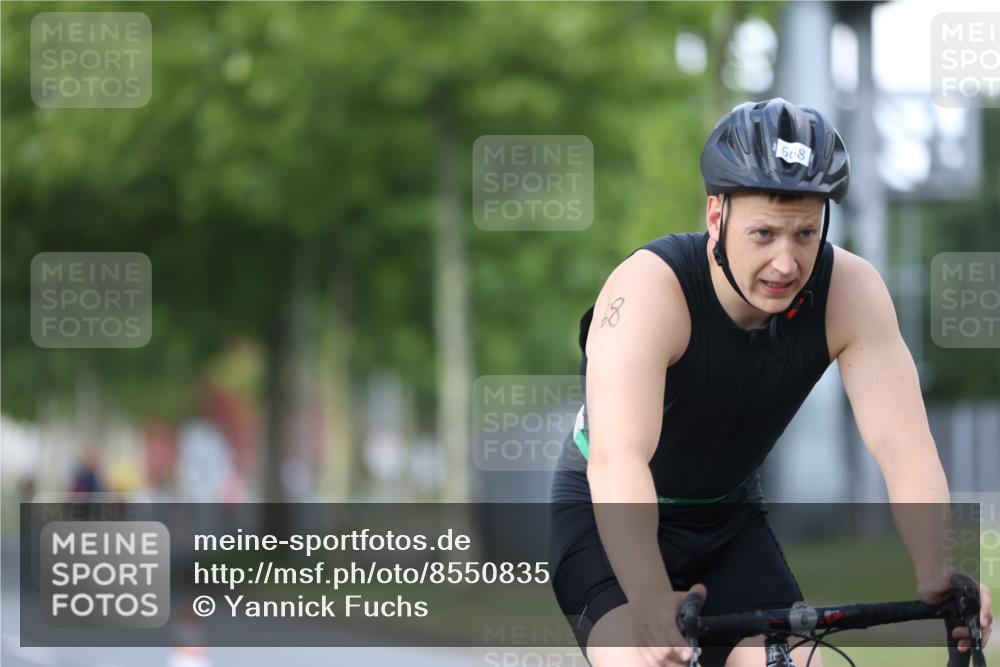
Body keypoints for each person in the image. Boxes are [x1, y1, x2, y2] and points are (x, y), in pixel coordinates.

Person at [548, 98, 993, 667]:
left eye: (805, 234)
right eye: (763, 234)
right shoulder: (650, 291)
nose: (786, 263)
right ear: (717, 217)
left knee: (801, 663)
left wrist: (938, 567)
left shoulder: (850, 293)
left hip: (728, 521)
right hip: (606, 513)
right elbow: (618, 460)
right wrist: (652, 600)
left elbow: (905, 449)